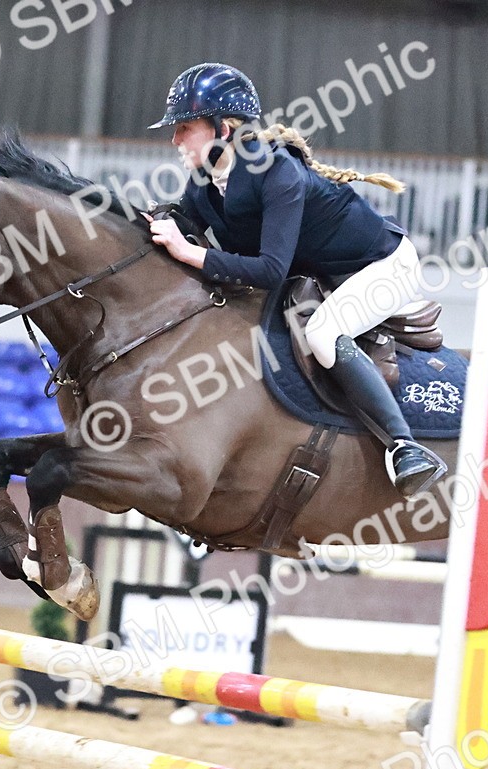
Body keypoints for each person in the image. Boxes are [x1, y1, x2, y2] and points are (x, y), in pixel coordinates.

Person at [146, 62, 446, 499]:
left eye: (185, 127)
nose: (174, 139)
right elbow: (184, 223)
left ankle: (406, 449)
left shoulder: (278, 173)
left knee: (324, 333)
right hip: (325, 273)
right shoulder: (205, 184)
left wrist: (188, 251)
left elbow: (269, 270)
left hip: (381, 266)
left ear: (223, 128)